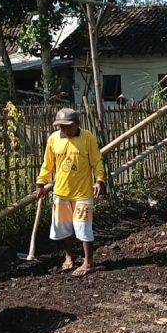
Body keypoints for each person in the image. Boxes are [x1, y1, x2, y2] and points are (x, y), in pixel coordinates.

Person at [36, 108, 105, 277]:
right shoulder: (53, 139)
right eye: (61, 127)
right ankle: (69, 256)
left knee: (83, 227)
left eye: (68, 127)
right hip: (61, 193)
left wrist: (99, 180)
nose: (65, 130)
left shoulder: (87, 137)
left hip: (83, 193)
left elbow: (96, 161)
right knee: (64, 228)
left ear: (76, 124)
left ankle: (88, 262)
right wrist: (41, 183)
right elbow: (48, 163)